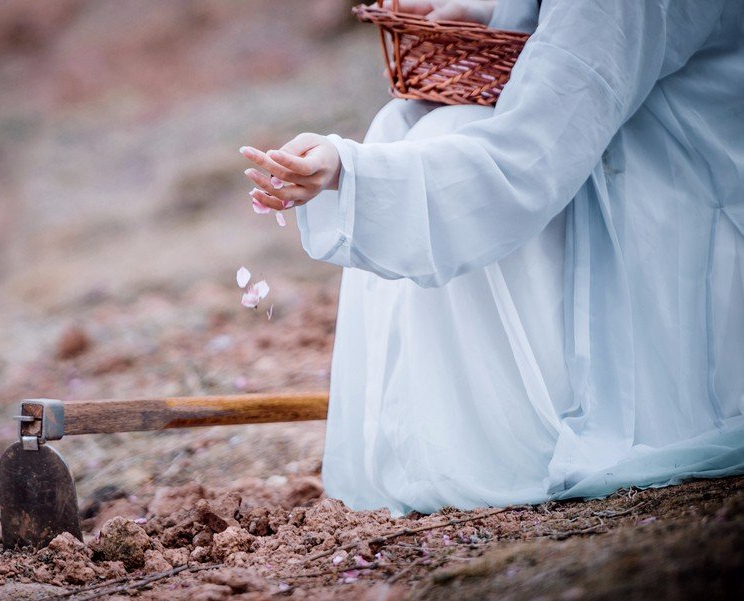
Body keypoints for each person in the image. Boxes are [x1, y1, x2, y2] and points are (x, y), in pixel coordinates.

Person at [240, 0, 744, 515]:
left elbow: (527, 159)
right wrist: (494, 14)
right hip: (634, 157)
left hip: (683, 221)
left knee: (440, 133)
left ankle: (484, 434)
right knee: (410, 120)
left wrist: (349, 172)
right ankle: (435, 426)